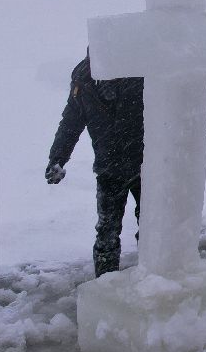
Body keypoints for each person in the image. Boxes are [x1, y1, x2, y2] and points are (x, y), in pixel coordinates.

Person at [45, 53, 144, 277]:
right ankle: (106, 284)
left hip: (145, 166)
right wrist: (57, 158)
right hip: (109, 169)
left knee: (151, 226)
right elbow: (71, 123)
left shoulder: (139, 69)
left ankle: (153, 278)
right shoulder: (83, 81)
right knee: (107, 232)